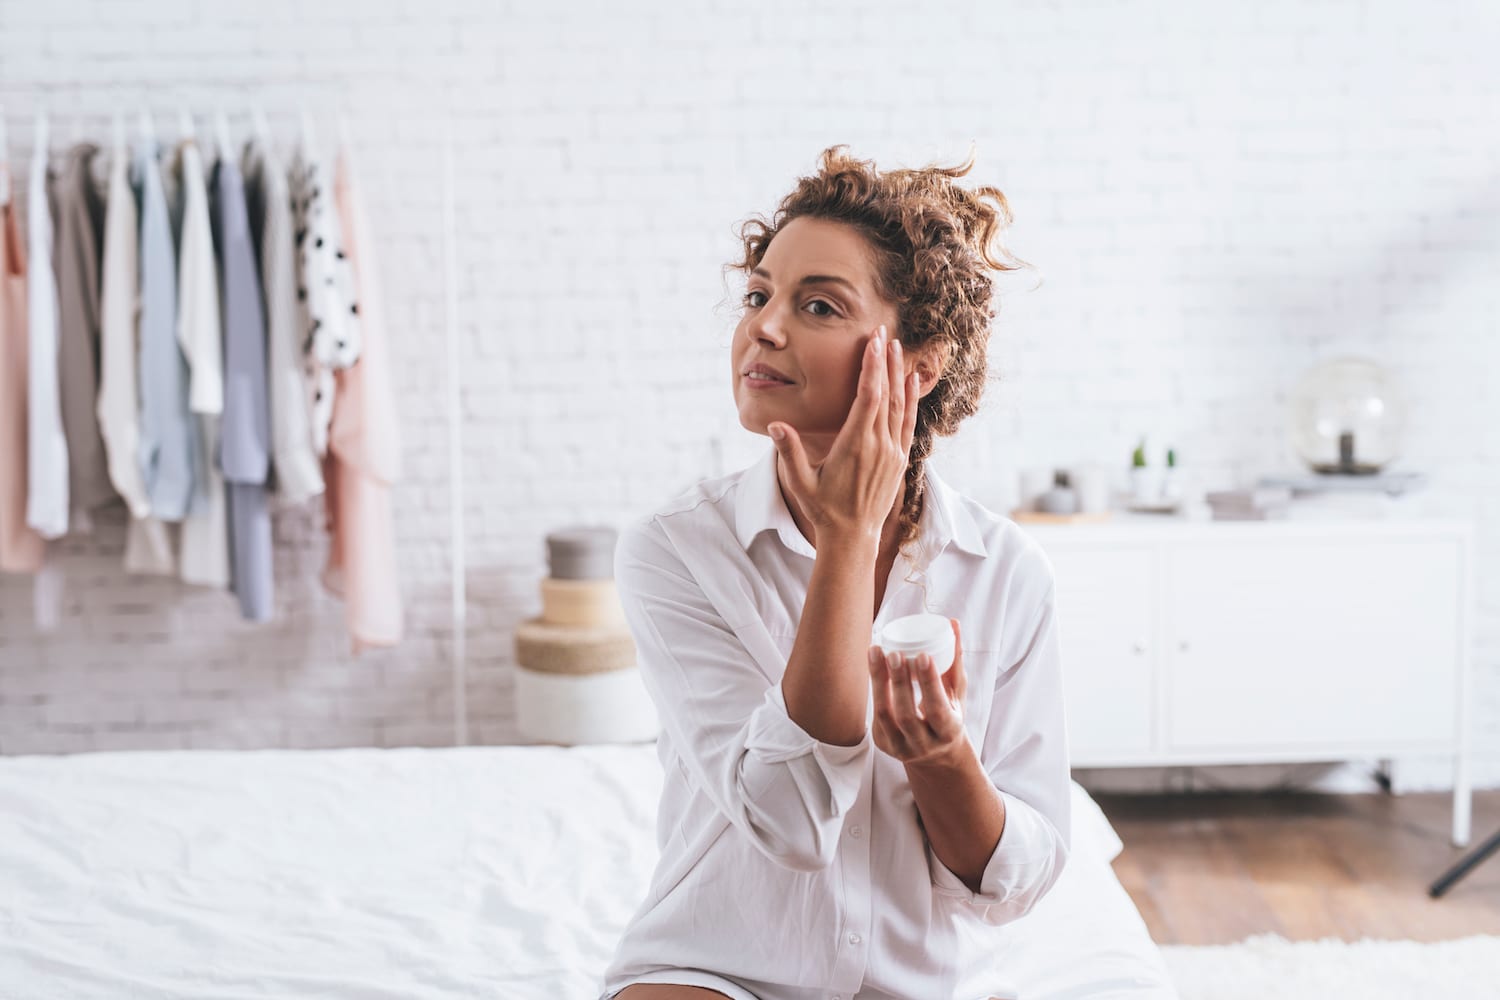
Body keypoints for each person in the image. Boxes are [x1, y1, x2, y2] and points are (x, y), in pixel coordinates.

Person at [599, 145, 1072, 1000]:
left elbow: (1020, 878)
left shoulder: (1005, 572)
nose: (764, 326)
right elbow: (786, 823)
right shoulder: (675, 550)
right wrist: (848, 541)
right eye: (758, 295)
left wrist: (941, 760)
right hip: (715, 968)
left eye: (817, 304)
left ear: (918, 366)